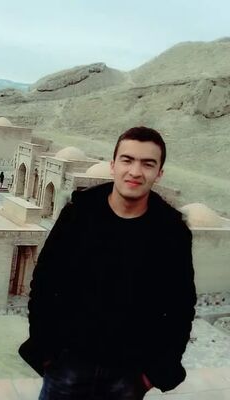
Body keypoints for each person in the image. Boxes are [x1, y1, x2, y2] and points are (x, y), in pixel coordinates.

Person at [19, 127, 196, 399]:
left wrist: (152, 375)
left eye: (147, 164)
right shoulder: (79, 215)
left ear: (159, 173)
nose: (135, 171)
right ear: (113, 165)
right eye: (127, 160)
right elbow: (44, 282)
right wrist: (46, 351)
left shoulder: (170, 232)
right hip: (67, 365)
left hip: (129, 374)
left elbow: (180, 307)